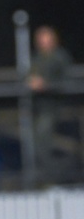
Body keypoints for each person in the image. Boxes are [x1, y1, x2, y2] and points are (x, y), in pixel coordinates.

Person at [28, 26, 75, 171]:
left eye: (47, 40)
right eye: (41, 41)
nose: (44, 44)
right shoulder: (36, 58)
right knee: (35, 140)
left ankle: (50, 174)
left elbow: (66, 80)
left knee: (44, 139)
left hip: (55, 105)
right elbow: (28, 74)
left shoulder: (60, 57)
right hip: (37, 106)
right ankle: (41, 173)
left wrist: (46, 85)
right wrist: (31, 81)